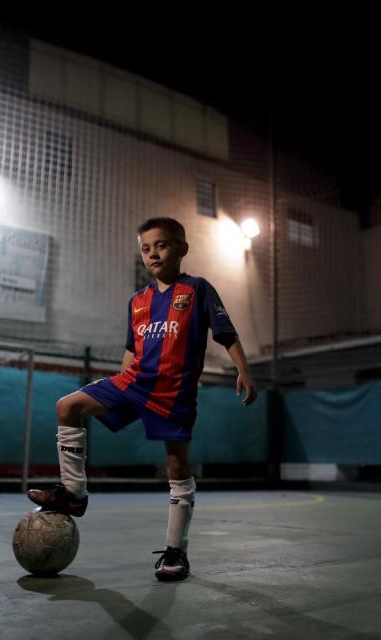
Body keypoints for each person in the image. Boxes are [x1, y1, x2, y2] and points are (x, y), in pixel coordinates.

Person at [28, 217, 257, 581]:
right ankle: (73, 493)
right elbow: (131, 351)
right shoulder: (137, 301)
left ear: (181, 248)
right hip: (134, 382)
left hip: (173, 391)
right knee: (67, 406)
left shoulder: (198, 289)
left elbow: (225, 333)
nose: (153, 253)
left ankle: (176, 553)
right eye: (146, 248)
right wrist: (119, 386)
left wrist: (244, 369)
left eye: (161, 245)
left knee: (178, 468)